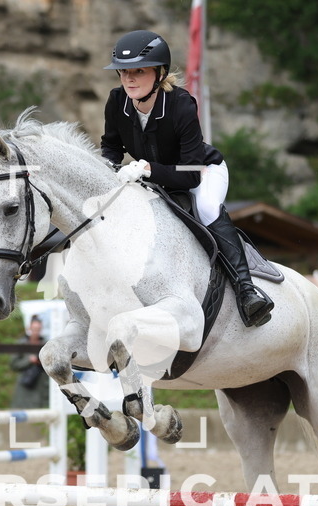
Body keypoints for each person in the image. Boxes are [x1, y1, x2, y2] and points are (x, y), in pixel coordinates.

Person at [100, 30, 273, 328]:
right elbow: (111, 147)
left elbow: (190, 175)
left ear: (159, 73)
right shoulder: (117, 101)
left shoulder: (180, 104)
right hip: (150, 176)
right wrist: (107, 171)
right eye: (124, 72)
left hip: (201, 171)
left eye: (139, 71)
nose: (129, 79)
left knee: (206, 208)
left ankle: (247, 291)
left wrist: (147, 169)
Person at [10, 315, 49, 408]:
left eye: (38, 329)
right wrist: (29, 360)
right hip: (25, 384)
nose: (36, 332)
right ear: (29, 328)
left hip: (41, 385)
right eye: (34, 329)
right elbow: (14, 364)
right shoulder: (22, 343)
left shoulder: (45, 344)